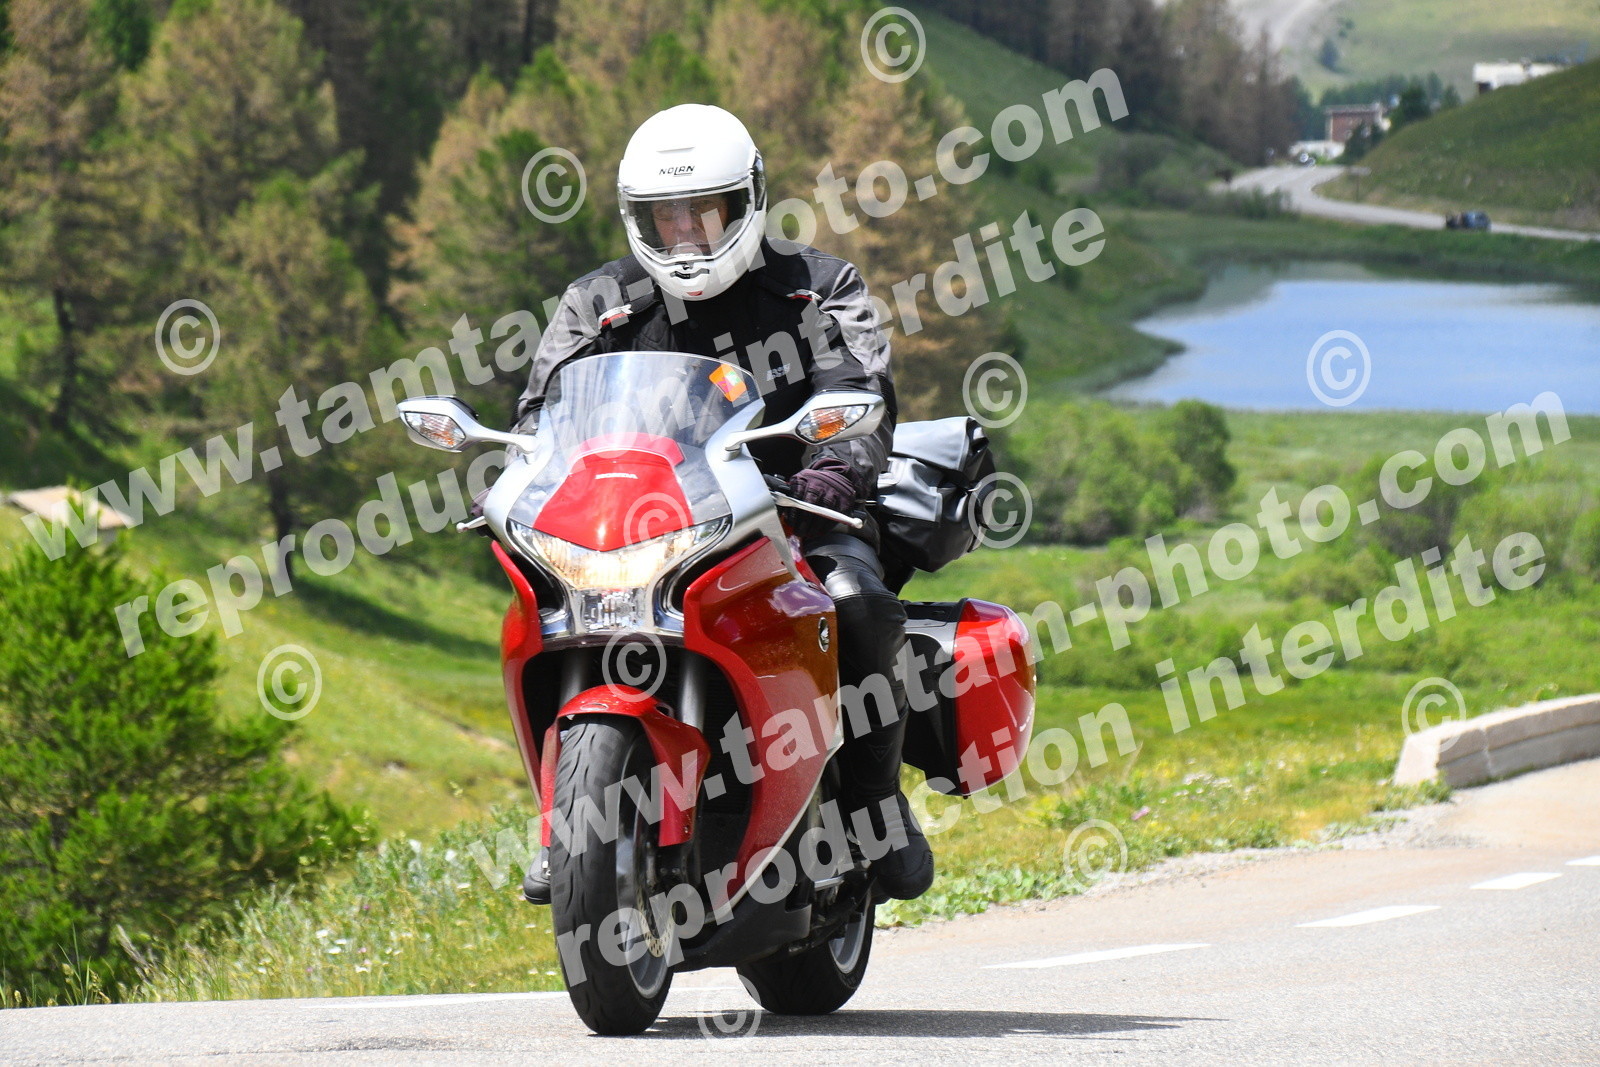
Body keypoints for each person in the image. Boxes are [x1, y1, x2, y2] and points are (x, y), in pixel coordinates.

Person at [515, 103, 934, 902]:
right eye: (665, 217)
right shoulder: (598, 300)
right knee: (542, 615)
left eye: (704, 211)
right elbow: (542, 410)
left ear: (747, 201)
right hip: (642, 525)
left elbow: (862, 388)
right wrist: (521, 472)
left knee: (857, 601)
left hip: (794, 514)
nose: (685, 234)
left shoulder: (818, 287)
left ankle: (875, 803)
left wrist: (833, 472)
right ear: (638, 217)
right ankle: (562, 825)